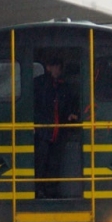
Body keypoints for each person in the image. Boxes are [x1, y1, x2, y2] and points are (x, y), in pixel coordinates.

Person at [34, 54, 79, 198]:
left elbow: (69, 105)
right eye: (57, 66)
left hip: (58, 131)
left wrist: (72, 114)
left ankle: (52, 190)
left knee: (55, 163)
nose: (59, 69)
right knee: (41, 162)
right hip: (42, 132)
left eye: (60, 67)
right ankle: (39, 190)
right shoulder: (38, 84)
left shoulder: (64, 86)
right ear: (49, 67)